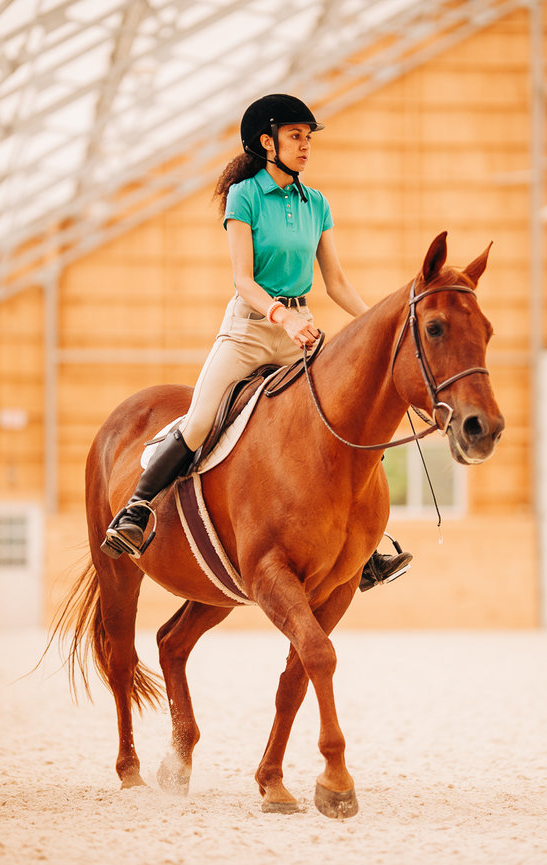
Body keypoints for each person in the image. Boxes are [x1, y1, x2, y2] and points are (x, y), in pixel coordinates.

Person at [100, 93, 412, 591]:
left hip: (301, 330)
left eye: (308, 137)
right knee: (201, 418)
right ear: (267, 142)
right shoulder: (244, 197)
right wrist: (279, 319)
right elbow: (243, 280)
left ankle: (366, 546)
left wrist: (384, 322)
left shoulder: (318, 204)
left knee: (343, 418)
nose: (306, 145)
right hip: (249, 328)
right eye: (296, 136)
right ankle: (136, 511)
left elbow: (335, 283)